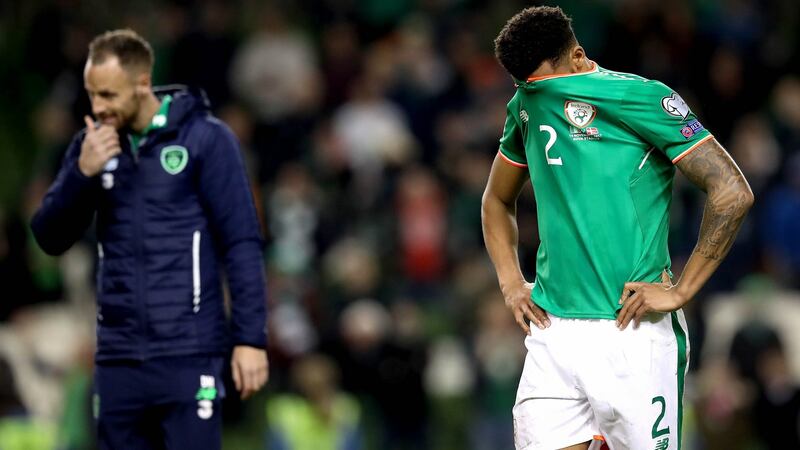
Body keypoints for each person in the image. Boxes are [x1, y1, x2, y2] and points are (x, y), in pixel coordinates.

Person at [481, 6, 753, 450]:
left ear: (579, 57)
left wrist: (682, 290)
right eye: (524, 87)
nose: (535, 96)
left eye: (543, 85)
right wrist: (511, 282)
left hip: (633, 333)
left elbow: (732, 192)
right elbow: (495, 199)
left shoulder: (642, 99)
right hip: (555, 333)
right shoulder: (525, 104)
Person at [30, 29, 269, 450]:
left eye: (109, 95)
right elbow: (49, 237)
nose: (98, 108)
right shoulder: (92, 147)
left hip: (188, 351)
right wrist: (80, 176)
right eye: (92, 95)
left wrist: (249, 339)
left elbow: (242, 242)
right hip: (118, 357)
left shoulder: (206, 140)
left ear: (143, 84)